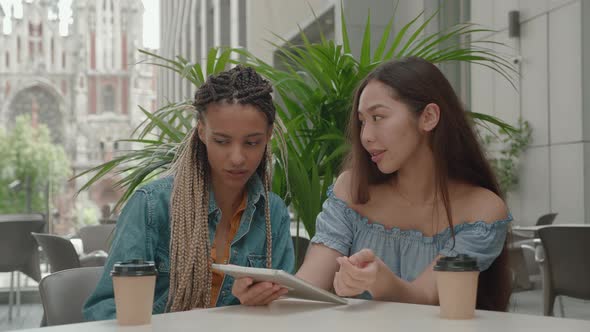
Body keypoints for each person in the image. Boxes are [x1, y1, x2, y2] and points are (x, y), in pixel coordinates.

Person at [233, 57, 512, 311]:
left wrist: (380, 280)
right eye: (362, 121)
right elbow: (311, 282)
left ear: (428, 117)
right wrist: (269, 292)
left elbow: (428, 296)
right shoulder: (351, 190)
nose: (365, 136)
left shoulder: (482, 210)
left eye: (378, 117)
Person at [84, 65, 294, 320]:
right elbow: (103, 312)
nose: (238, 158)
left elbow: (284, 313)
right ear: (202, 132)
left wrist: (249, 303)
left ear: (269, 135)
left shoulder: (274, 214)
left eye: (252, 143)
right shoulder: (151, 207)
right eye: (222, 141)